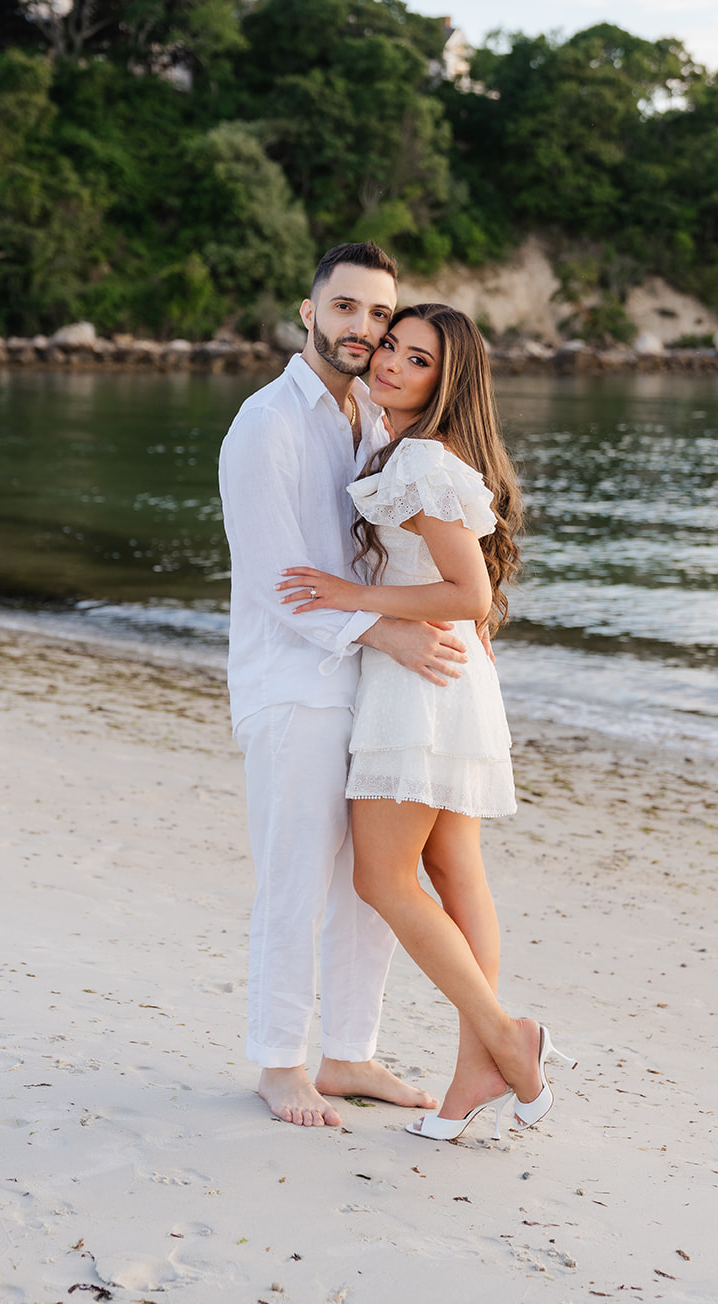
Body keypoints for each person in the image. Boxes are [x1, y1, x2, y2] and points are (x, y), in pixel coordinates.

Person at [278, 303, 576, 1140]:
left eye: (417, 359)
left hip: (421, 680)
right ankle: (475, 1070)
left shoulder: (421, 461)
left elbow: (468, 593)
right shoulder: (408, 447)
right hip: (449, 674)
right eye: (392, 348)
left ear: (447, 382)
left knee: (381, 877)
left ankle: (506, 1039)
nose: (391, 365)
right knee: (452, 869)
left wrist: (352, 596)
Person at [219, 245, 469, 1129]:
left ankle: (350, 1053)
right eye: (347, 308)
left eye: (378, 315)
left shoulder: (366, 415)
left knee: (371, 877)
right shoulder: (267, 423)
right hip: (292, 680)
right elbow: (277, 581)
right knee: (294, 875)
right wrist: (392, 628)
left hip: (365, 678)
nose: (363, 329)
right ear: (309, 309)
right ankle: (279, 1061)